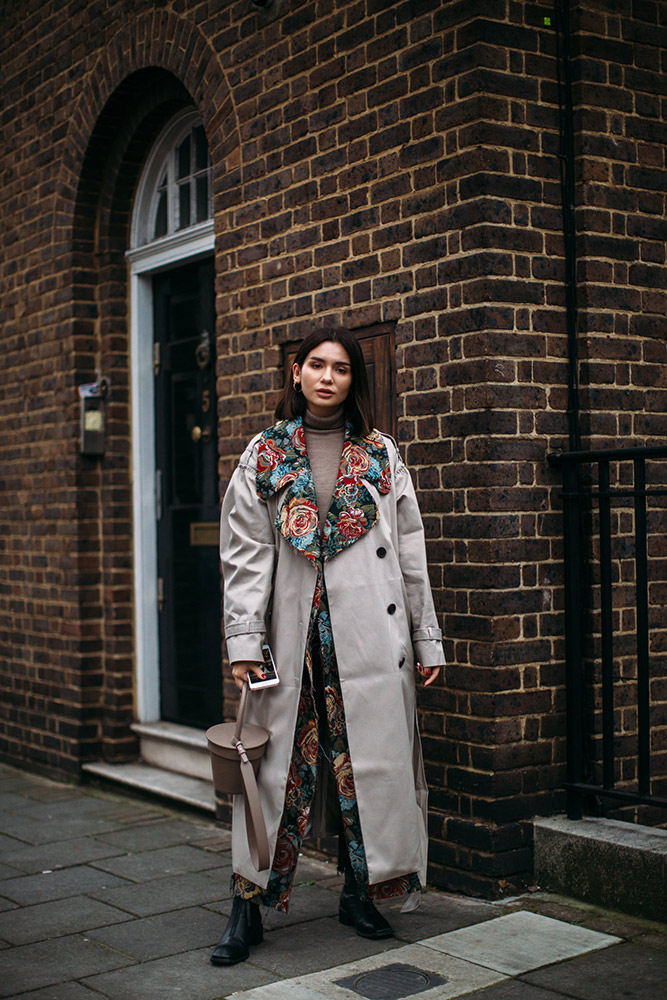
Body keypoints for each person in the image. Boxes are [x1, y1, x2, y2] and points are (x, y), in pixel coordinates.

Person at [211, 326, 444, 966]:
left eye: (341, 369)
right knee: (267, 774)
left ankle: (360, 893)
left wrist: (426, 639)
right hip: (289, 638)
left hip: (367, 634)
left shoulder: (380, 454)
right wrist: (243, 639)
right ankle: (246, 904)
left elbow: (411, 553)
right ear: (296, 372)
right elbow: (245, 556)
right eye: (317, 365)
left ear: (353, 381)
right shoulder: (265, 453)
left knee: (363, 769)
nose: (327, 377)